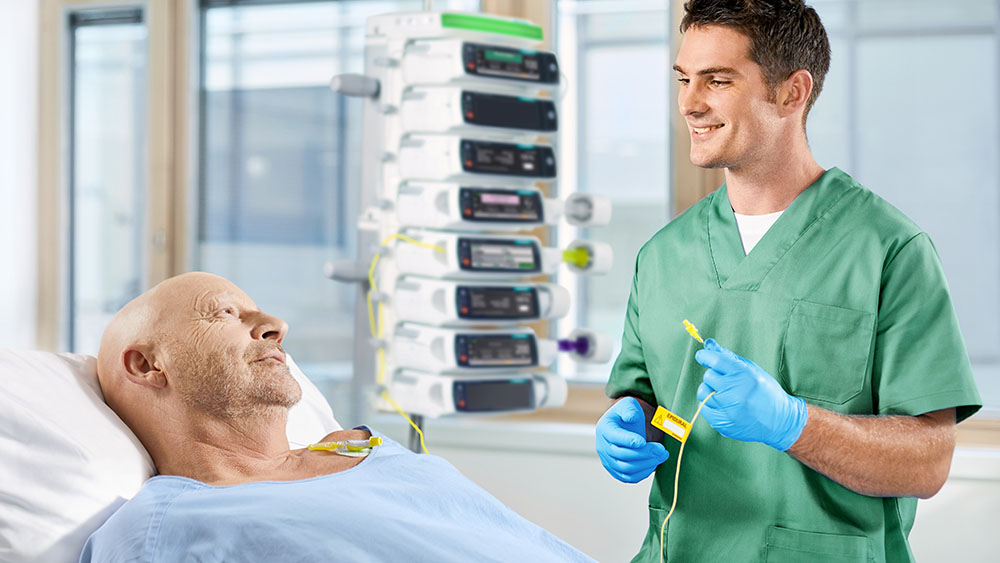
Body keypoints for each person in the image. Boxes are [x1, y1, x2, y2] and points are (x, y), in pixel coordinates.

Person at [594, 1, 982, 562]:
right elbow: (651, 400)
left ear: (791, 92)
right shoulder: (662, 256)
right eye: (683, 79)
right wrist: (629, 427)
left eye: (717, 80)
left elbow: (926, 461)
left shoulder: (888, 251)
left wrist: (792, 424)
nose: (689, 103)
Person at [83, 272, 593, 563]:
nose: (275, 326)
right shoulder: (161, 531)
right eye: (224, 314)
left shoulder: (365, 450)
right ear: (147, 365)